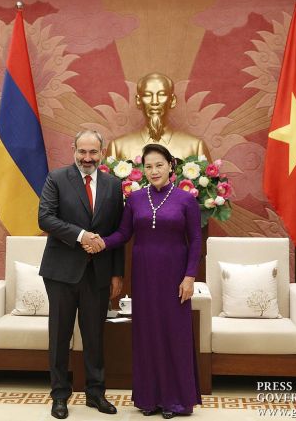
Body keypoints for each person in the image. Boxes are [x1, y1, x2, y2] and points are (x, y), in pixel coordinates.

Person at [84, 143, 202, 418]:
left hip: (175, 277)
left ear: (171, 166)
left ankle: (175, 401)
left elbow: (195, 240)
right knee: (147, 335)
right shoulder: (135, 199)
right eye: (148, 166)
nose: (153, 171)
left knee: (174, 334)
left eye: (159, 165)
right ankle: (149, 399)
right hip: (145, 276)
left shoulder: (186, 200)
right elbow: (123, 234)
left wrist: (189, 276)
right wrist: (100, 242)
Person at [38, 130, 125, 419]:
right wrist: (81, 235)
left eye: (93, 152)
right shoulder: (57, 178)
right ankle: (60, 395)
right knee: (60, 335)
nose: (87, 158)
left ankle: (95, 394)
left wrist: (116, 274)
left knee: (94, 336)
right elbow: (46, 218)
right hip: (61, 272)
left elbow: (117, 233)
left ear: (102, 153)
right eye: (82, 152)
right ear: (73, 149)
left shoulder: (114, 185)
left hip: (98, 273)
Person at [106, 72, 212, 161]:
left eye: (161, 95)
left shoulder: (195, 147)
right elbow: (106, 185)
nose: (155, 102)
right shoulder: (118, 147)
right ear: (138, 101)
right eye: (148, 95)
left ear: (172, 100)